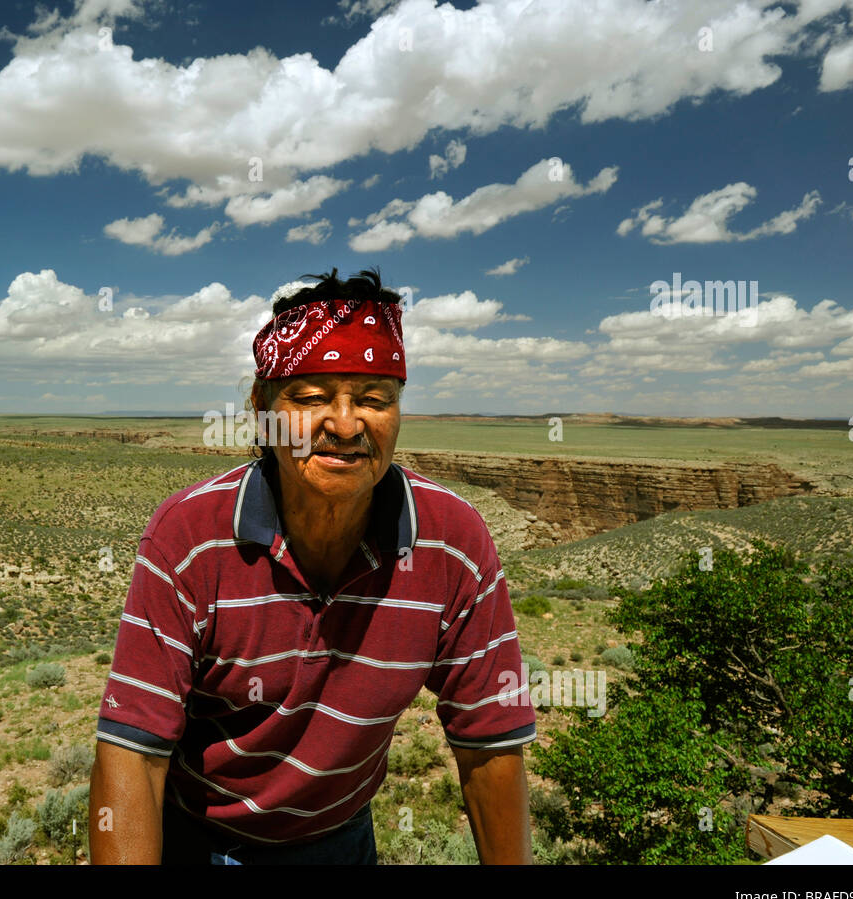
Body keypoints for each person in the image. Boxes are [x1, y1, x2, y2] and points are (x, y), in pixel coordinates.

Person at [89, 267, 536, 864]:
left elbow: (489, 743)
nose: (346, 426)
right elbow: (134, 754)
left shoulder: (452, 543)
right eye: (311, 397)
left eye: (375, 399)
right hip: (200, 837)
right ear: (262, 407)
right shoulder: (191, 537)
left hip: (342, 838)